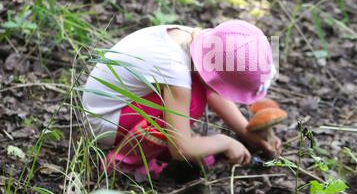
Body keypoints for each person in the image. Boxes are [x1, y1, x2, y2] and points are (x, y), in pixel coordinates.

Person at [81, 19, 281, 180]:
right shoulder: (175, 69)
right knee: (194, 101)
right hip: (104, 121)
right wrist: (225, 142)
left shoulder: (197, 42)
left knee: (195, 91)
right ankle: (122, 163)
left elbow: (210, 86)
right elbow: (182, 150)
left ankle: (155, 148)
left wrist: (246, 132)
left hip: (119, 107)